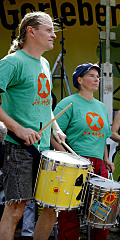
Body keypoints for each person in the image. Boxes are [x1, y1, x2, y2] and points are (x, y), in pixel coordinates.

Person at [0, 11, 66, 240]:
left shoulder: (45, 63)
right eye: (48, 30)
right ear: (31, 31)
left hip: (44, 147)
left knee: (51, 207)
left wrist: (56, 129)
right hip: (18, 147)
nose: (53, 35)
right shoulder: (12, 62)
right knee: (16, 208)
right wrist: (17, 128)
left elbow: (45, 101)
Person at [51, 63, 115, 240]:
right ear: (79, 80)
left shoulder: (101, 106)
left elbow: (102, 138)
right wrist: (68, 158)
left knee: (102, 212)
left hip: (98, 165)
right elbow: (52, 133)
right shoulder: (68, 103)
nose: (96, 79)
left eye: (97, 76)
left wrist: (107, 159)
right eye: (91, 76)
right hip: (74, 164)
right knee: (69, 214)